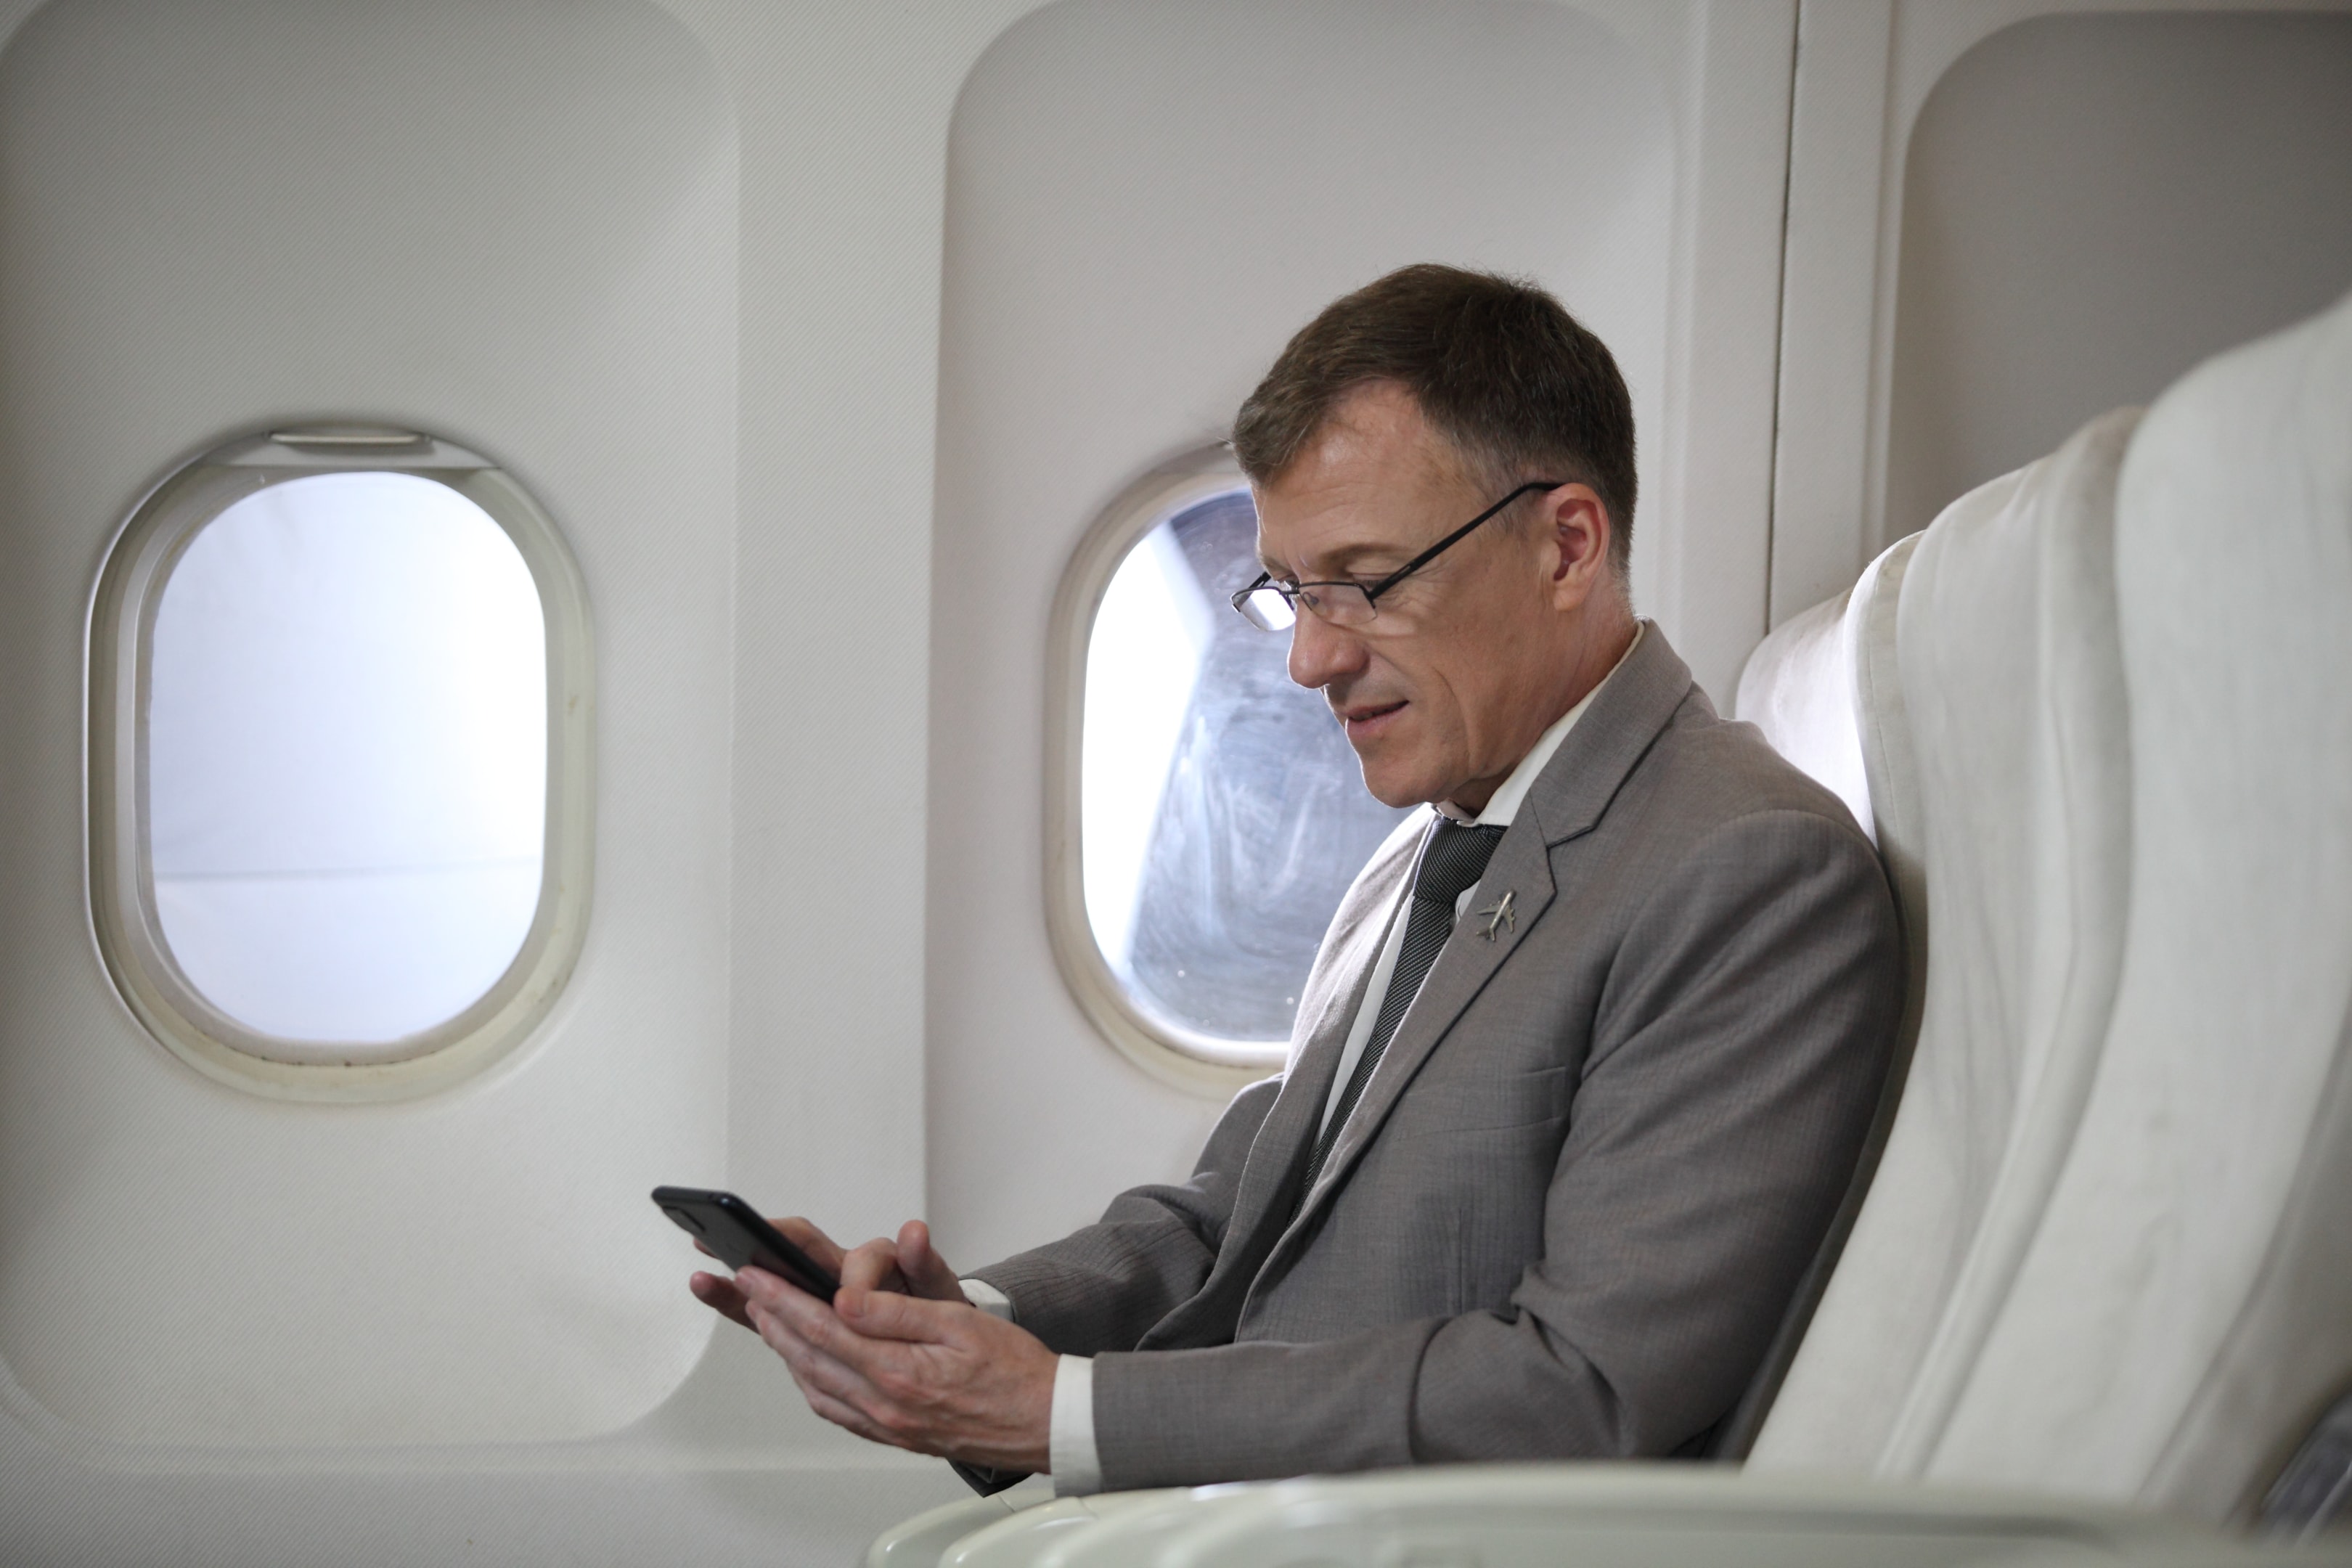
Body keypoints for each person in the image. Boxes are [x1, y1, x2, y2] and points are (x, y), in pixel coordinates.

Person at [689, 264, 1902, 1494]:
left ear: (1566, 547)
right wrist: (969, 1321)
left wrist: (1055, 1414)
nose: (1311, 660)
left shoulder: (1747, 871)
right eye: (1292, 593)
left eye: (1366, 582)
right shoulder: (1423, 854)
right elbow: (1244, 1215)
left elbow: (1582, 1390)